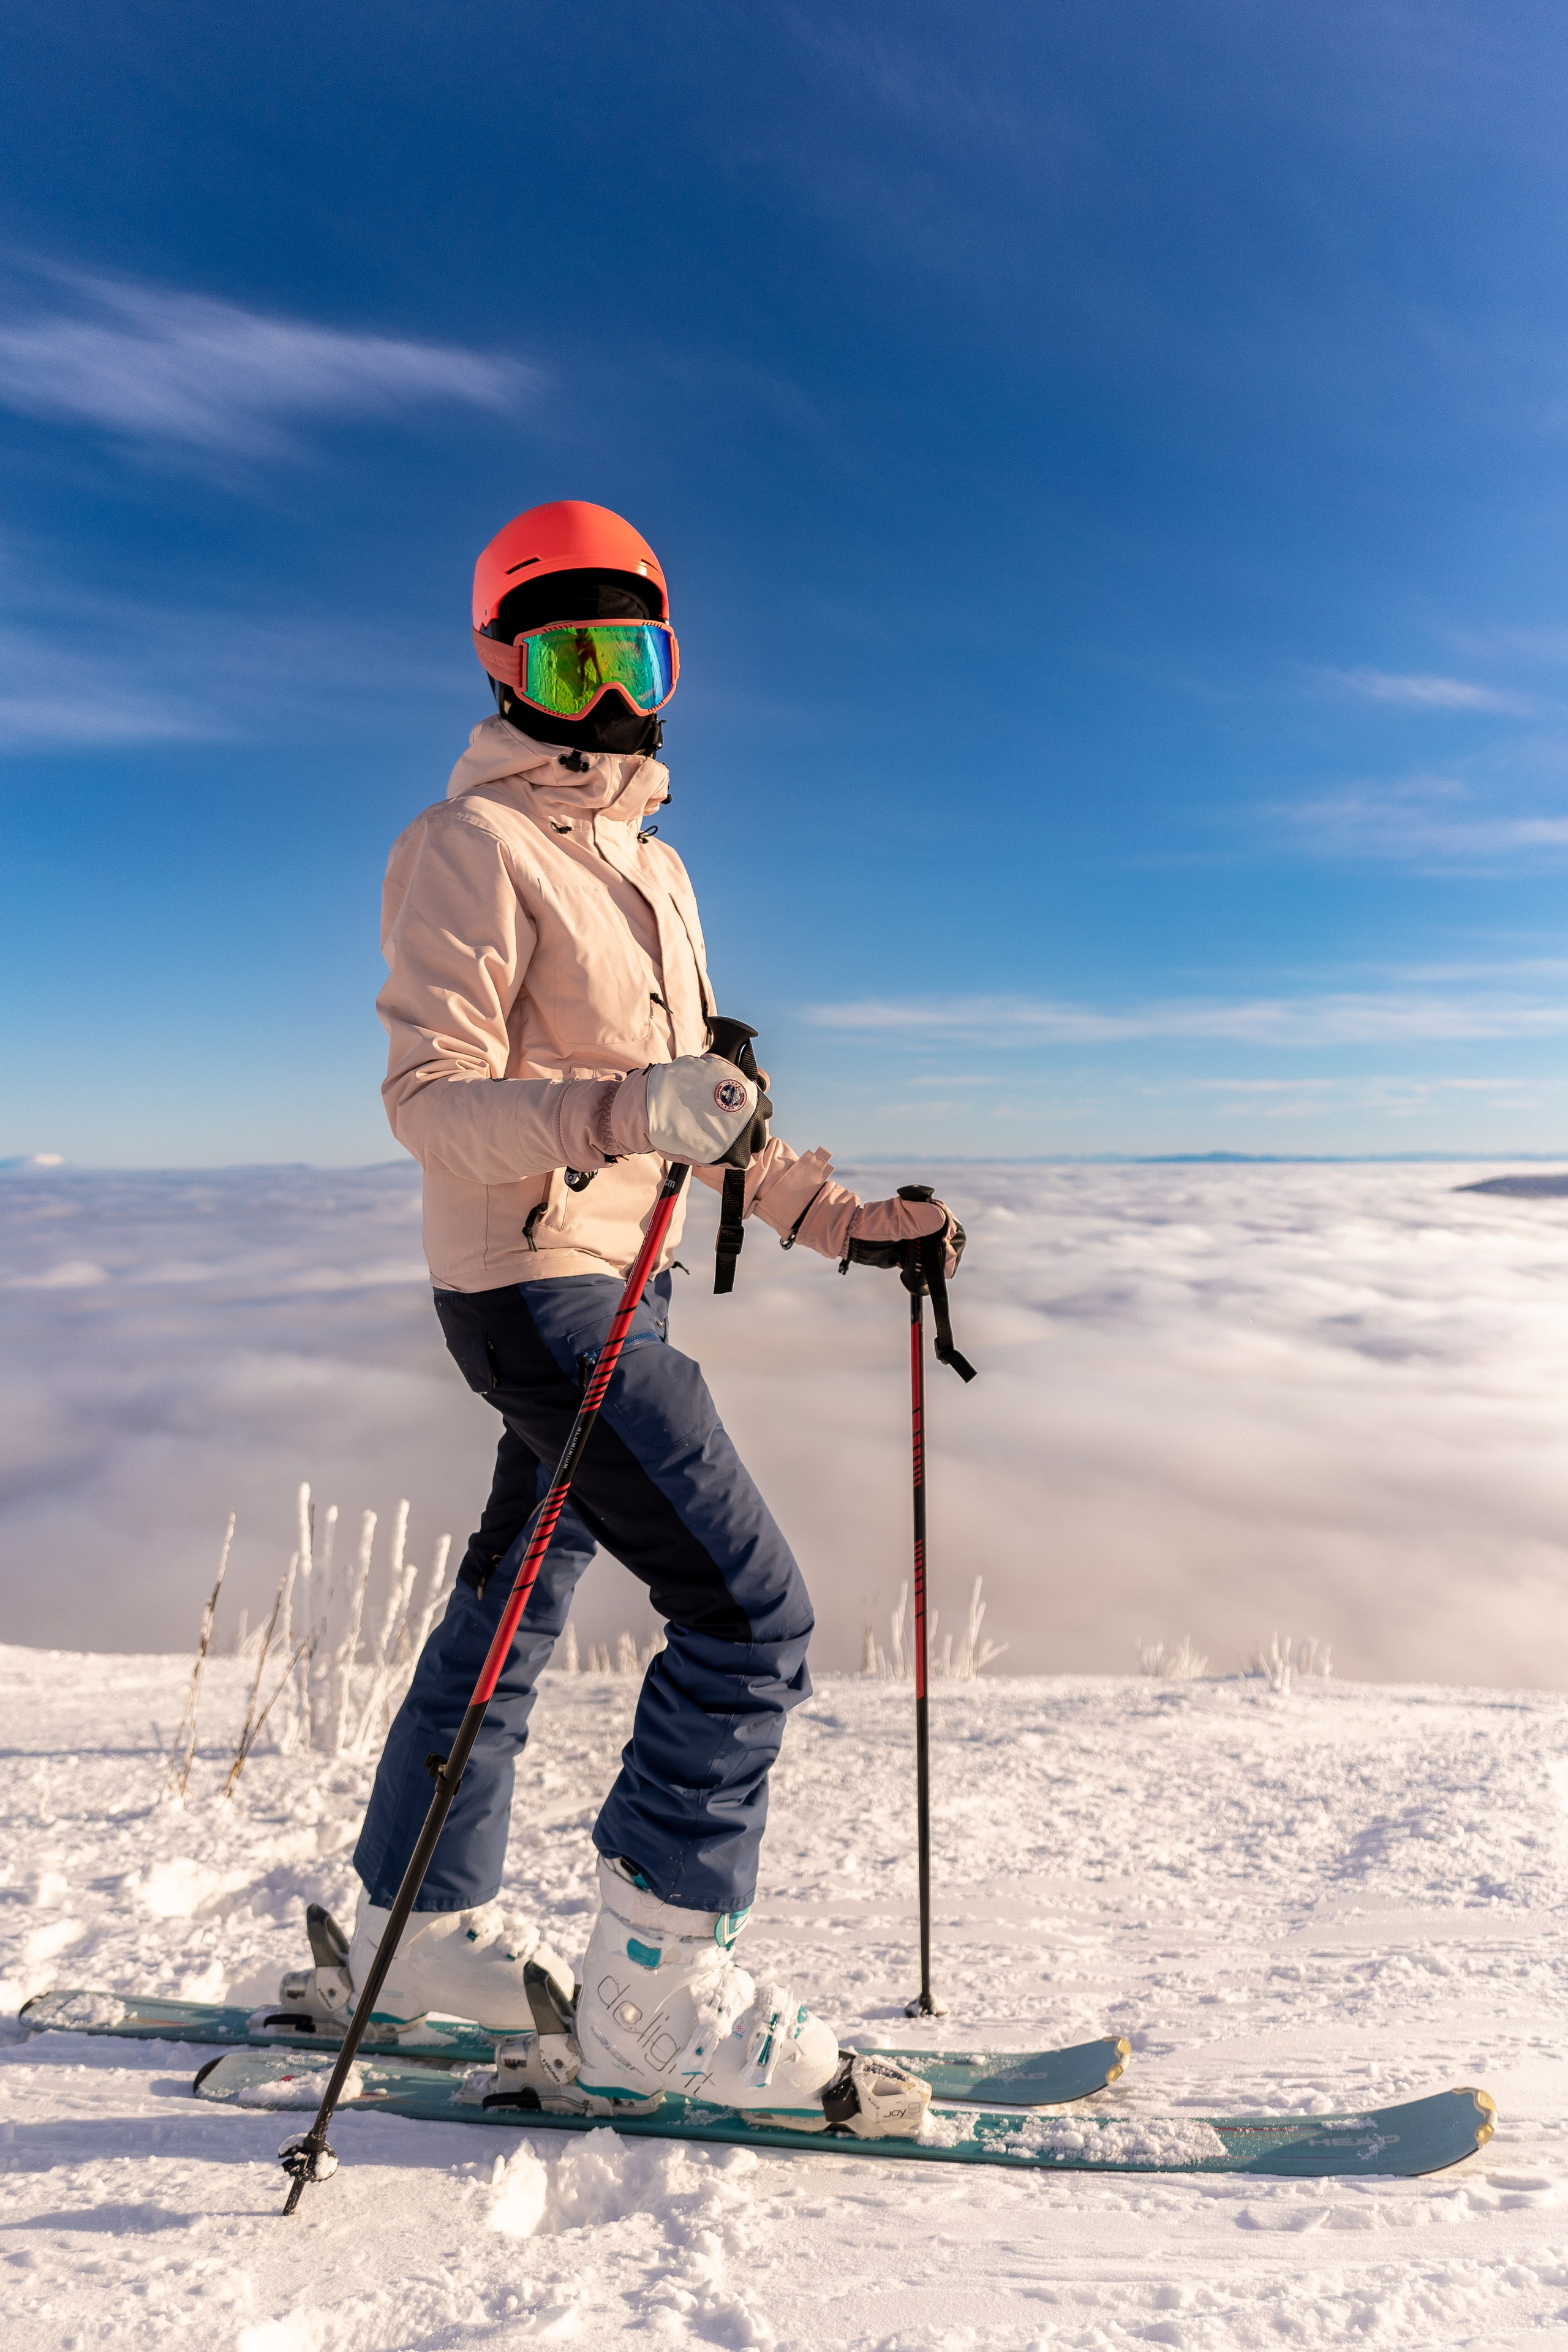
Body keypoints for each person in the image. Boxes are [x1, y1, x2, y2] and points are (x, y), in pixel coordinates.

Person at [341, 500, 962, 2136]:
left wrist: (845, 1221)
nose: (613, 696)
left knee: (516, 1599)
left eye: (639, 656)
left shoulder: (657, 871)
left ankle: (419, 1932)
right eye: (573, 660)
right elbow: (433, 1103)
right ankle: (656, 2002)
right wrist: (625, 1107)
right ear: (504, 667)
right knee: (748, 1620)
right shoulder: (470, 847)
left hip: (627, 1283)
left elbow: (711, 1114)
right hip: (538, 1291)